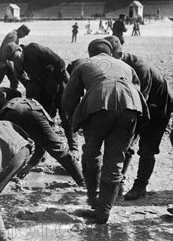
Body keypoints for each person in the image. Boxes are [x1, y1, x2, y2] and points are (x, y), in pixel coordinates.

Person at [62, 38, 146, 224]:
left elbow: (68, 100)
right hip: (131, 106)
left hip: (100, 104)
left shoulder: (85, 64)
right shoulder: (125, 66)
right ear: (109, 52)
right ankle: (103, 210)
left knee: (91, 153)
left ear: (90, 52)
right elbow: (137, 89)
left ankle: (93, 198)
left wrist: (76, 121)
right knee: (115, 159)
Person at [104, 36, 173, 201]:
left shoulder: (139, 67)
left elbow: (141, 101)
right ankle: (118, 183)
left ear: (119, 54)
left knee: (147, 148)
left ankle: (140, 186)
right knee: (124, 144)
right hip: (136, 103)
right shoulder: (111, 65)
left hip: (158, 106)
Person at [0, 97, 84, 186]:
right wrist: (30, 166)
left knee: (1, 147)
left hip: (10, 114)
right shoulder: (40, 114)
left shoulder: (4, 106)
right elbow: (42, 146)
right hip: (33, 113)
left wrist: (29, 166)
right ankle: (82, 181)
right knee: (58, 149)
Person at [7, 42, 77, 152]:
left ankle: (74, 148)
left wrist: (60, 81)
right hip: (43, 89)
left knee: (65, 116)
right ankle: (44, 150)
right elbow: (19, 75)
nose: (16, 61)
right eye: (13, 60)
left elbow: (59, 61)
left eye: (16, 57)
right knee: (46, 118)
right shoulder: (17, 62)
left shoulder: (34, 49)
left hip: (58, 82)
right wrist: (31, 85)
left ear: (19, 50)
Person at [0, 24, 30, 91]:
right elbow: (7, 49)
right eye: (24, 34)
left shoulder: (14, 35)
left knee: (13, 81)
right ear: (21, 30)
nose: (24, 36)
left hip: (7, 62)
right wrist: (3, 62)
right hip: (5, 62)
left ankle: (13, 95)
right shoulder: (13, 36)